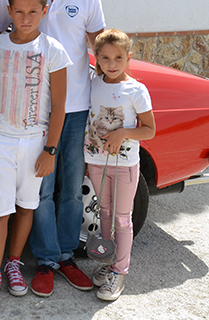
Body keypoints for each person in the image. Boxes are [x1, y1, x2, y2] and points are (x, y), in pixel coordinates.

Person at [0, 0, 105, 297]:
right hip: (31, 116)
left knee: (71, 189)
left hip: (74, 109)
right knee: (39, 192)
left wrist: (122, 88)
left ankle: (67, 256)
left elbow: (100, 48)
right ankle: (46, 260)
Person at [0, 0, 71, 315]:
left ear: (44, 12)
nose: (26, 17)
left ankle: (13, 263)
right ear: (9, 12)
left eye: (33, 11)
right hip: (0, 138)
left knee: (26, 206)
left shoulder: (53, 51)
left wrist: (50, 149)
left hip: (35, 143)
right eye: (19, 11)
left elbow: (59, 105)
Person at [85, 29, 156, 301]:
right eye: (105, 58)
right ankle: (106, 259)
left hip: (125, 163)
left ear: (129, 58)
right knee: (103, 212)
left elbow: (149, 130)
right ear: (97, 58)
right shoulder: (93, 83)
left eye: (118, 57)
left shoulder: (136, 90)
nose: (111, 64)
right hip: (95, 160)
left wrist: (122, 133)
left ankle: (119, 270)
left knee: (122, 218)